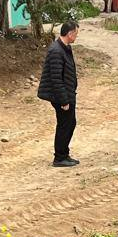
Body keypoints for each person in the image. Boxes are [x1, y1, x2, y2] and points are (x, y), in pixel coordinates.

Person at [37, 19, 79, 168]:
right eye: (76, 34)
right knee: (64, 124)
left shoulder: (65, 48)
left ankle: (64, 154)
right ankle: (59, 157)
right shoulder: (56, 51)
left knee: (70, 123)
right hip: (61, 96)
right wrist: (64, 101)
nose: (76, 37)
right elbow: (56, 79)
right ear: (70, 33)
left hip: (67, 93)